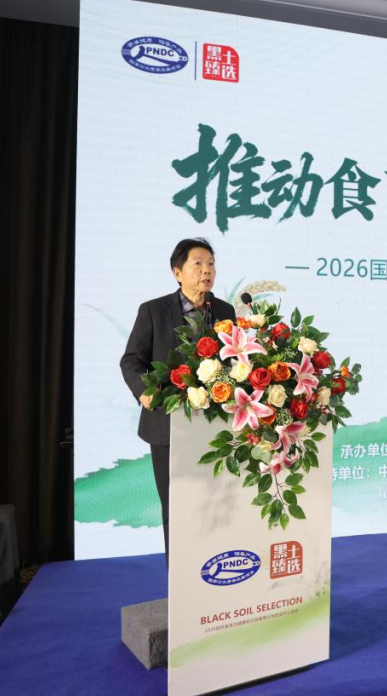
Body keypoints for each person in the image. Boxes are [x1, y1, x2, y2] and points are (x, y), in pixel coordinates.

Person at [120, 238, 236, 561]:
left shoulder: (225, 311)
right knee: (177, 507)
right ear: (177, 272)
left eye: (211, 264)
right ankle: (181, 579)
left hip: (215, 426)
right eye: (198, 264)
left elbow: (235, 362)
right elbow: (131, 360)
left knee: (216, 505)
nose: (206, 270)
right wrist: (144, 390)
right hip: (168, 426)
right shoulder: (153, 311)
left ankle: (213, 571)